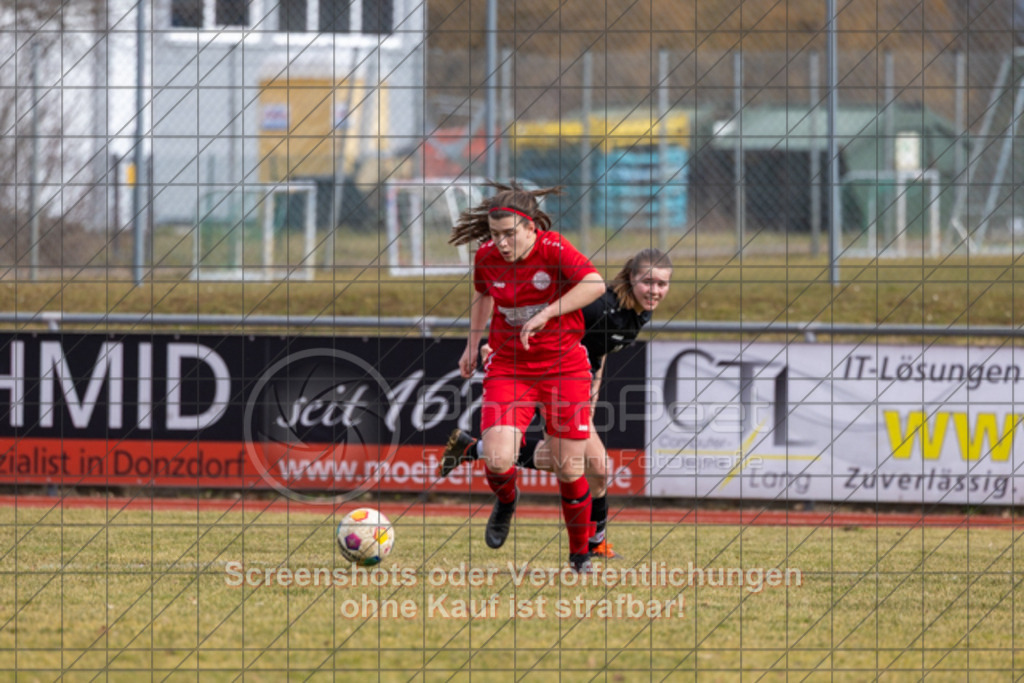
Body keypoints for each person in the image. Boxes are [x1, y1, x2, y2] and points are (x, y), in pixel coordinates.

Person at [439, 248, 673, 560]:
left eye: (662, 284)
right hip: (543, 376)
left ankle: (475, 450)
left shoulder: (639, 311)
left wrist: (591, 398)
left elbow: (596, 353)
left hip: (572, 384)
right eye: (648, 282)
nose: (655, 290)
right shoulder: (600, 305)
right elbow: (537, 313)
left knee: (598, 469)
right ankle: (591, 545)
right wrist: (495, 347)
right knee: (587, 465)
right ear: (630, 277)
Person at [449, 181, 606, 574]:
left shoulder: (553, 248)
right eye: (495, 234)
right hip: (510, 367)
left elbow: (595, 284)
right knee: (499, 458)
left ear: (531, 227)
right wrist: (472, 344)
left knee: (570, 467)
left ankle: (579, 557)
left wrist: (548, 313)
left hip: (563, 367)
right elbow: (483, 293)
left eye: (509, 234)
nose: (501, 243)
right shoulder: (486, 256)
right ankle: (506, 500)